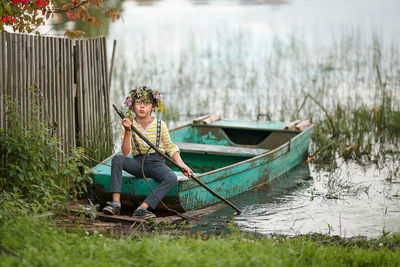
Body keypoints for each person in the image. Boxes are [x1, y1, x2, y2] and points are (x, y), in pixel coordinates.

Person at [103, 86, 194, 219]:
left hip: (156, 163)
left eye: (146, 103)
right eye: (138, 103)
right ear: (132, 106)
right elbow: (125, 153)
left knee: (171, 178)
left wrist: (181, 164)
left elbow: (170, 147)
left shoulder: (159, 125)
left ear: (153, 107)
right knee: (117, 159)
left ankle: (143, 208)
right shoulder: (128, 124)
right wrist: (128, 131)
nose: (142, 106)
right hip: (138, 163)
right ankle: (116, 204)